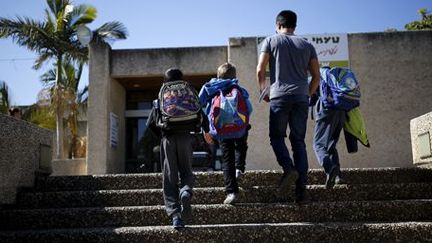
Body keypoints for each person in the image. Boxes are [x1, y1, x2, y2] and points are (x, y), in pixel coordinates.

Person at [256, 10, 320, 203]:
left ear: (278, 25)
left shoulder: (270, 41)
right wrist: (306, 94)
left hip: (279, 96)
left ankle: (288, 168)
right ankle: (301, 192)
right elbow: (316, 77)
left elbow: (260, 69)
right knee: (298, 142)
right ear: (295, 26)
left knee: (276, 137)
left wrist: (263, 91)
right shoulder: (307, 45)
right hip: (301, 97)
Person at [147, 68, 208, 229]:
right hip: (186, 138)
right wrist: (206, 132)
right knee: (187, 171)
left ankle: (176, 216)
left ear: (165, 82)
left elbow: (150, 124)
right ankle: (186, 192)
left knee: (169, 177)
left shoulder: (162, 97)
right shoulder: (188, 94)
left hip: (168, 139)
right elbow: (202, 117)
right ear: (182, 80)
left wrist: (162, 135)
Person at [199, 62, 252, 204]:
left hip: (221, 129)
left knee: (227, 159)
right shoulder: (238, 88)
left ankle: (231, 192)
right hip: (239, 129)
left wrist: (205, 129)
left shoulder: (209, 88)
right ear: (234, 75)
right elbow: (249, 109)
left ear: (218, 75)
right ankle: (239, 168)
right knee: (241, 144)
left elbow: (200, 107)